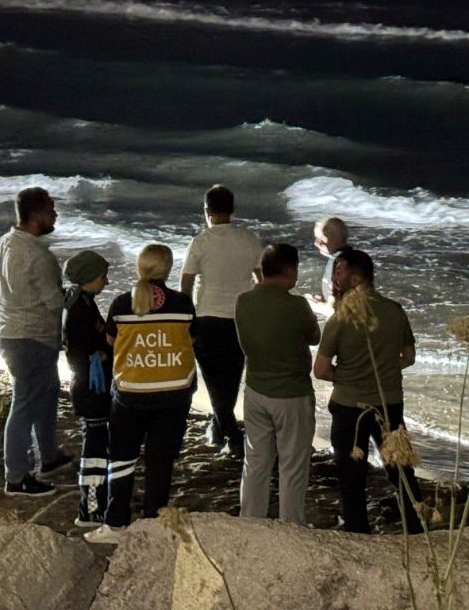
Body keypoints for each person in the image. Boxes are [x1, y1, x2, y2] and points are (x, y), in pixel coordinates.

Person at [86, 244, 197, 544]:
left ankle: (116, 524)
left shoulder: (122, 304)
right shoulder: (183, 304)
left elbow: (110, 340)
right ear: (168, 269)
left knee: (122, 459)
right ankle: (153, 522)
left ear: (140, 267)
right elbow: (191, 338)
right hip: (173, 393)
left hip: (130, 392)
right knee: (160, 462)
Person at [314, 247, 423, 533]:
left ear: (354, 275)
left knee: (352, 475)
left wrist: (348, 375)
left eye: (339, 271)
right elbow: (408, 357)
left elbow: (321, 370)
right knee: (400, 468)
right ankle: (415, 524)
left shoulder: (340, 318)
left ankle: (357, 529)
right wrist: (383, 371)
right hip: (389, 402)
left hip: (349, 404)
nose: (334, 277)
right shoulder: (394, 311)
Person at [0, 187, 72, 497]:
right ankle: (16, 475)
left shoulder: (2, 245)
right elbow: (54, 302)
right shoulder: (38, 255)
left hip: (8, 330)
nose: (55, 215)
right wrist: (73, 298)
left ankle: (48, 455)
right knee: (24, 404)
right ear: (37, 214)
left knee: (47, 394)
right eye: (51, 209)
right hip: (31, 336)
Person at [235, 243, 320, 525]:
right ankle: (290, 525)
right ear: (289, 271)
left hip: (256, 388)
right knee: (292, 466)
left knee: (256, 462)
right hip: (292, 393)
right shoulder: (296, 305)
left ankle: (250, 521)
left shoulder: (243, 301)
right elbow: (314, 336)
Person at [180, 184, 263, 456]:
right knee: (231, 378)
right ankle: (219, 430)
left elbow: (187, 282)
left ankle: (231, 433)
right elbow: (261, 280)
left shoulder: (201, 240)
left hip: (207, 318)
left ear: (207, 211)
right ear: (232, 209)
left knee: (215, 381)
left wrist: (187, 316)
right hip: (241, 318)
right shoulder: (249, 239)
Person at [62, 250, 112, 527]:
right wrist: (103, 354)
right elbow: (87, 345)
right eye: (102, 276)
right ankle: (90, 507)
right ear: (89, 278)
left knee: (96, 441)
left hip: (86, 385)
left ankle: (95, 501)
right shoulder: (80, 308)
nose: (106, 281)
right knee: (94, 446)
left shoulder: (78, 301)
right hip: (92, 388)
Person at [312, 216, 349, 304]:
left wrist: (317, 306)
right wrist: (325, 298)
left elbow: (341, 303)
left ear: (333, 238)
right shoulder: (350, 258)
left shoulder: (339, 263)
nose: (317, 243)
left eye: (320, 237)